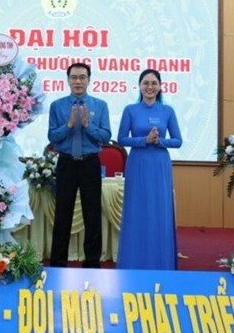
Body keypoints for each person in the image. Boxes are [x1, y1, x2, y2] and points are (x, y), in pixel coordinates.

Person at [117, 68, 182, 270]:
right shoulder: (130, 110)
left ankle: (161, 262)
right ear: (140, 86)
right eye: (146, 83)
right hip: (137, 164)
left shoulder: (167, 111)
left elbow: (178, 141)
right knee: (136, 211)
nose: (150, 87)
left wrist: (159, 141)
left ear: (160, 86)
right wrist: (144, 140)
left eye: (154, 83)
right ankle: (133, 261)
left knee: (159, 211)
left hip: (160, 164)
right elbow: (121, 139)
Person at [48, 62, 111, 268]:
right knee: (62, 217)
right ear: (68, 80)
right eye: (74, 77)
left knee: (92, 217)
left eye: (82, 77)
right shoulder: (57, 106)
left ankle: (92, 265)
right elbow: (53, 137)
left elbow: (105, 136)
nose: (78, 81)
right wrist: (68, 125)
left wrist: (87, 125)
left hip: (90, 164)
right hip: (66, 164)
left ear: (89, 80)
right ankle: (58, 264)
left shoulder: (100, 105)